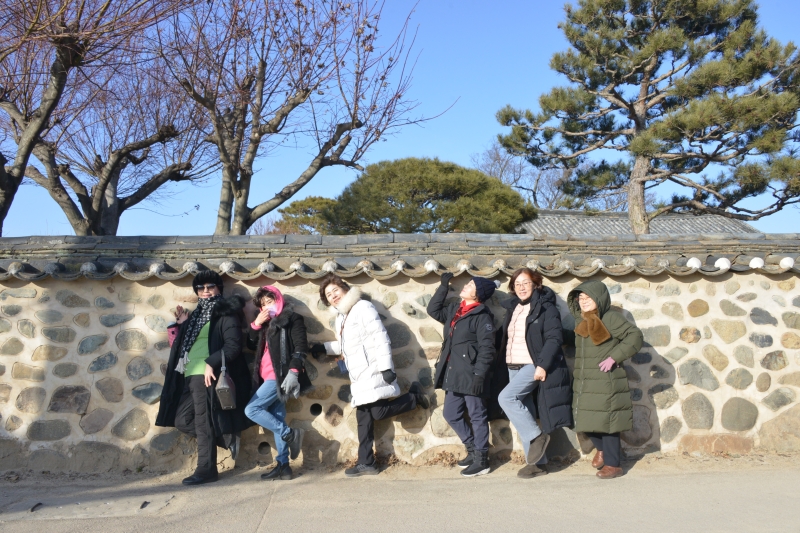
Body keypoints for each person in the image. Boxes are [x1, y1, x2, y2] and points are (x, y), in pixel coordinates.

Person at [312, 273, 430, 477]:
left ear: (345, 289)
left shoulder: (362, 307)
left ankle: (413, 398)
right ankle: (366, 462)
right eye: (328, 295)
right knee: (363, 419)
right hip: (358, 375)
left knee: (377, 413)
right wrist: (323, 348)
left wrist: (386, 368)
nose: (333, 296)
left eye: (335, 290)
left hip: (373, 369)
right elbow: (346, 345)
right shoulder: (342, 317)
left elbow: (379, 336)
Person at [156, 271, 253, 485]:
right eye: (200, 288)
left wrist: (211, 362)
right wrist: (182, 325)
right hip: (188, 375)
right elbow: (182, 346)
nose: (205, 291)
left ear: (219, 288)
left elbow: (233, 345)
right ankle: (225, 437)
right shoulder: (196, 317)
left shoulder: (226, 313)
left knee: (202, 421)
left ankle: (206, 470)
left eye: (210, 286)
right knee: (182, 420)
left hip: (206, 374)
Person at [496, 268, 573, 478]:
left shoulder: (546, 307)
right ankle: (538, 464)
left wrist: (542, 365)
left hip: (532, 364)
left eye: (525, 283)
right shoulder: (513, 308)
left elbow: (554, 338)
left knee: (506, 398)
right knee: (525, 414)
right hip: (512, 365)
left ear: (535, 284)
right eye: (517, 284)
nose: (521, 287)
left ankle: (537, 437)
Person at [564, 280, 643, 479]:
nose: (583, 301)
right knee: (584, 419)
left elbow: (634, 336)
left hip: (607, 379)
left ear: (599, 298)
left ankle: (613, 465)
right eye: (580, 298)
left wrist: (614, 357)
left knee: (608, 422)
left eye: (588, 297)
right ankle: (602, 450)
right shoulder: (581, 321)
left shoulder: (611, 318)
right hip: (585, 380)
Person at [427, 273, 498, 477]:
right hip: (455, 373)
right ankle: (473, 449)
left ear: (478, 294)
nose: (466, 285)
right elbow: (433, 310)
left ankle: (482, 460)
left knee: (477, 415)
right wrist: (443, 286)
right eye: (468, 283)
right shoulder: (455, 310)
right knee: (451, 413)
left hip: (472, 374)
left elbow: (487, 349)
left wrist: (479, 376)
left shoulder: (482, 316)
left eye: (471, 284)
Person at [244, 285, 310, 481]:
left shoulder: (293, 318)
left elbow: (301, 347)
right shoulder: (265, 323)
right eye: (263, 304)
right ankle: (284, 466)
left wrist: (294, 371)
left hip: (280, 376)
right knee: (277, 418)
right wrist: (256, 324)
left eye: (269, 301)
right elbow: (250, 345)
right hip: (266, 376)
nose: (266, 307)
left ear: (278, 300)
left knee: (252, 409)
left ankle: (290, 433)